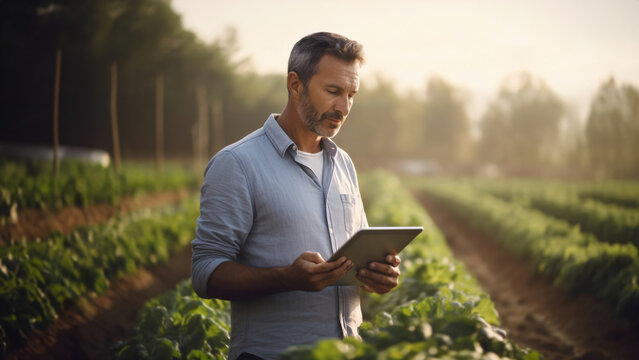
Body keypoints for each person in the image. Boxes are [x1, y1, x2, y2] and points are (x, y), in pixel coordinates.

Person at [191, 32, 401, 360]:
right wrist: (287, 278)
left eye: (351, 94)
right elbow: (205, 272)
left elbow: (357, 259)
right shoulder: (237, 164)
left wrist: (377, 276)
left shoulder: (343, 163)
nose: (343, 107)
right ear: (295, 85)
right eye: (333, 91)